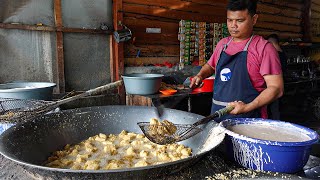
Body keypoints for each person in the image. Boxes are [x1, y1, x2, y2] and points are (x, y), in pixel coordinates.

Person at [190, 0, 284, 122]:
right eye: (230, 20)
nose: (233, 25)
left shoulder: (264, 48)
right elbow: (210, 66)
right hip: (218, 118)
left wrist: (247, 107)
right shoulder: (223, 44)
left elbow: (276, 88)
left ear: (254, 19)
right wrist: (200, 75)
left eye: (240, 21)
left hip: (249, 121)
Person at [266, 34, 287, 120]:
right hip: (282, 84)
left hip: (273, 86)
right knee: (276, 109)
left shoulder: (274, 55)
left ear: (270, 43)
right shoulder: (283, 54)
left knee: (274, 110)